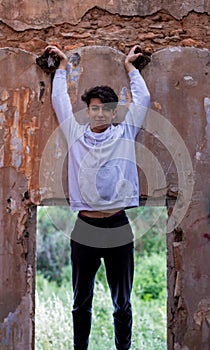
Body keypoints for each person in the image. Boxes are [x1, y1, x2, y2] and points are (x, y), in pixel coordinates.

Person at [46, 44, 150, 350]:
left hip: (118, 226)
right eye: (94, 107)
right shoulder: (76, 134)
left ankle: (124, 348)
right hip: (85, 229)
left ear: (114, 111)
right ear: (88, 110)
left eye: (106, 108)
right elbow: (59, 101)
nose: (100, 112)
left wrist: (131, 68)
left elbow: (142, 98)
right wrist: (61, 67)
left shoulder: (125, 132)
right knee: (81, 302)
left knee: (123, 303)